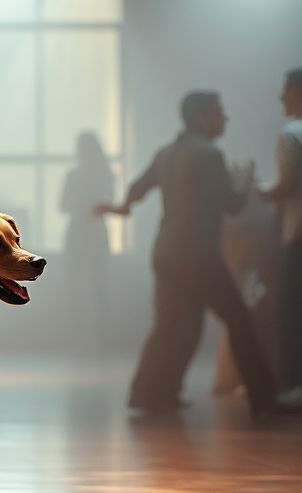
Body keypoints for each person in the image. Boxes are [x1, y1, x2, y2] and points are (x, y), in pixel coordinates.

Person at [97, 91, 293, 416]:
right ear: (201, 117)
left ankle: (148, 394)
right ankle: (264, 399)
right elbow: (232, 204)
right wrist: (243, 183)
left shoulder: (166, 153)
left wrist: (121, 209)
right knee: (239, 321)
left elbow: (138, 187)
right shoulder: (209, 155)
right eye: (219, 112)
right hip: (197, 254)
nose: (225, 119)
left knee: (175, 324)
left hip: (165, 252)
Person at [258, 68, 302, 398]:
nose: (280, 97)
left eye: (285, 90)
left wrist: (258, 192)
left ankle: (293, 384)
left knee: (289, 310)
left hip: (298, 236)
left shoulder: (291, 133)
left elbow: (287, 184)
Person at [60, 132, 114, 354]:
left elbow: (108, 202)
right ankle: (79, 340)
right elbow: (62, 205)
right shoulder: (75, 175)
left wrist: (82, 203)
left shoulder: (103, 175)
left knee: (99, 289)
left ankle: (100, 339)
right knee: (77, 290)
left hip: (92, 234)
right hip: (79, 234)